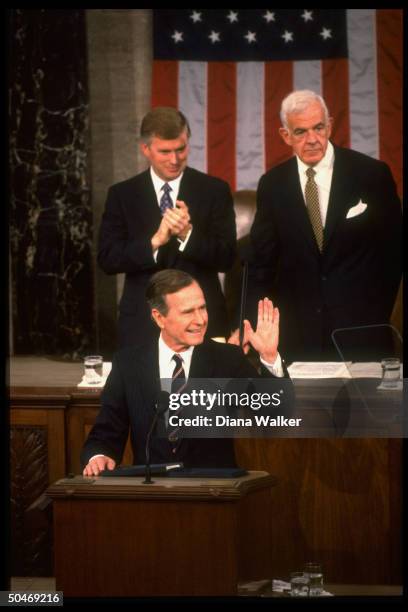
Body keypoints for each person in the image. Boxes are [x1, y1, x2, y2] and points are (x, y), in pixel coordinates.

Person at [248, 90, 402, 361]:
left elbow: (394, 254)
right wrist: (252, 324)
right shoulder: (272, 185)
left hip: (362, 332)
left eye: (319, 128)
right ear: (285, 135)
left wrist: (375, 312)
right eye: (300, 132)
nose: (312, 139)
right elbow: (262, 264)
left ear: (330, 125)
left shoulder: (372, 174)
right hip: (298, 337)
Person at [82, 269, 284, 476]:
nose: (200, 320)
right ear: (159, 318)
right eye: (188, 312)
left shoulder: (227, 359)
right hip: (151, 494)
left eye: (203, 308)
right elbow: (106, 432)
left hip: (214, 493)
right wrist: (99, 456)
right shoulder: (128, 364)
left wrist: (269, 357)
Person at [98, 107, 236, 348]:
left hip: (202, 323)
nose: (174, 160)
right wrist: (154, 242)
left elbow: (227, 258)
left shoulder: (215, 190)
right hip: (142, 325)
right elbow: (108, 259)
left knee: (207, 387)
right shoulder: (122, 194)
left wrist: (188, 235)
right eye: (165, 151)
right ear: (146, 149)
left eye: (180, 149)